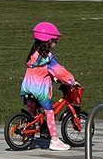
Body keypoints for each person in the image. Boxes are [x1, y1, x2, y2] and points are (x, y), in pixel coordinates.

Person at [20, 20, 78, 151]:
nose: (56, 43)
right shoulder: (48, 58)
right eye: (55, 40)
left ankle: (36, 130)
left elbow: (41, 72)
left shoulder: (32, 55)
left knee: (34, 114)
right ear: (48, 41)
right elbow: (60, 71)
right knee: (49, 112)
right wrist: (71, 81)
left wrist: (52, 77)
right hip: (40, 91)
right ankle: (54, 140)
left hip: (26, 88)